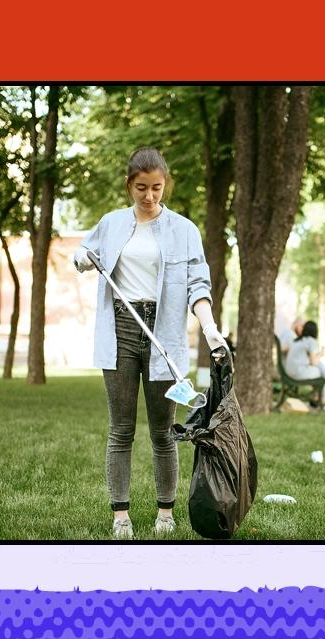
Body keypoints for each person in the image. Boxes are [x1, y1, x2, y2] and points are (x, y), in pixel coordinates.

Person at [70, 147, 226, 539]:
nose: (150, 196)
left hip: (164, 334)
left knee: (162, 431)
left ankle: (165, 512)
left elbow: (197, 285)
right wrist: (83, 258)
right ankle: (120, 515)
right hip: (121, 328)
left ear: (165, 184)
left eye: (157, 187)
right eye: (142, 188)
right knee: (121, 429)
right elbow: (82, 252)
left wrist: (209, 327)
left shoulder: (184, 230)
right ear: (129, 185)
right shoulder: (111, 223)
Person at [281, 320, 325, 407]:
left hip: (289, 371)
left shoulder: (295, 340)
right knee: (319, 372)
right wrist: (322, 353)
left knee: (318, 368)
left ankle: (319, 396)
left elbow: (309, 360)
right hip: (297, 373)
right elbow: (313, 362)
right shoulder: (311, 341)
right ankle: (322, 398)